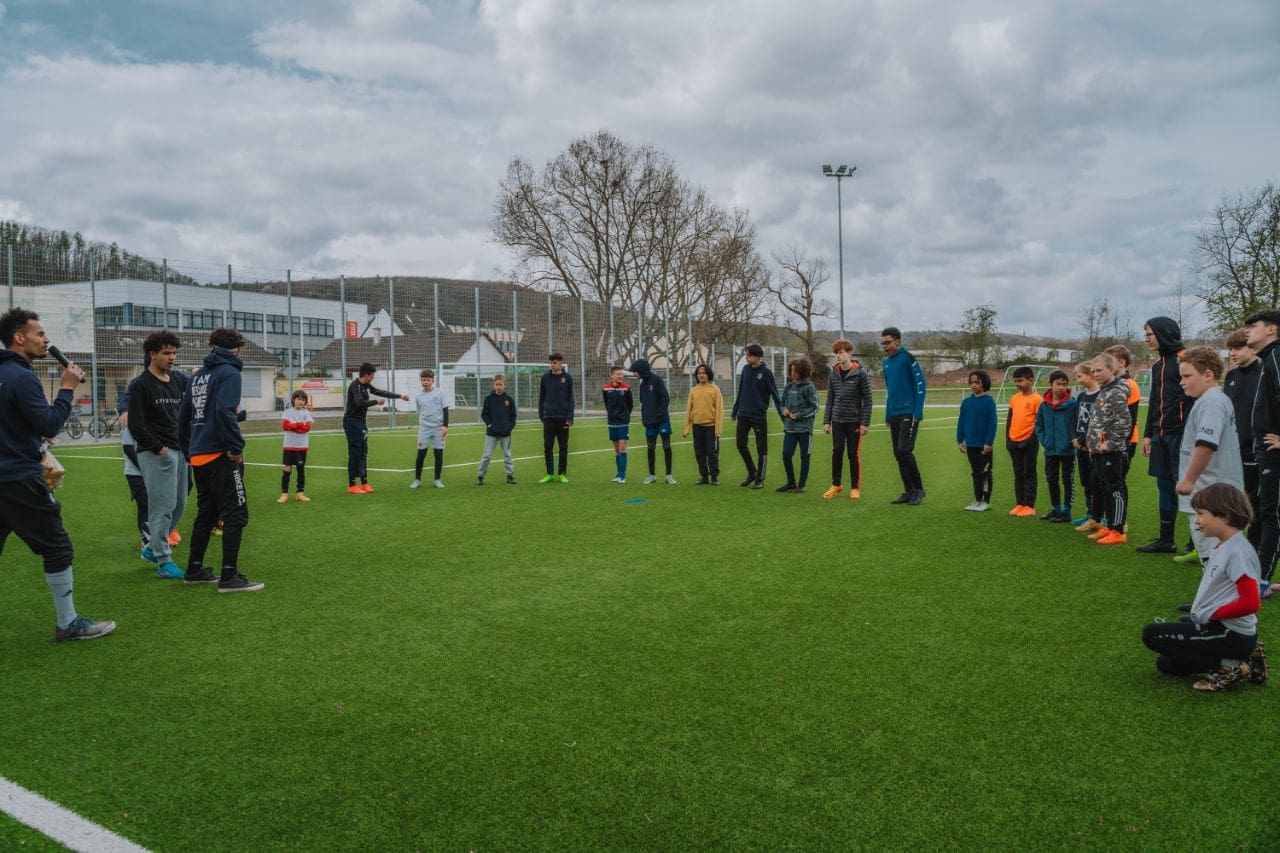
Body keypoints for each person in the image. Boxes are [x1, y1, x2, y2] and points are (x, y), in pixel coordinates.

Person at [0, 308, 115, 640]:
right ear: (19, 337)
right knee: (57, 547)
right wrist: (66, 389)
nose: (46, 339)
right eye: (39, 333)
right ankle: (68, 623)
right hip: (17, 478)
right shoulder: (23, 377)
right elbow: (50, 423)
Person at [1141, 483, 1267, 692]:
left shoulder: (1238, 551)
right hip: (1223, 629)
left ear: (1225, 516)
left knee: (1152, 635)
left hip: (1231, 634)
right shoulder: (1225, 545)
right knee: (1165, 664)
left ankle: (1232, 666)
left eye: (1200, 514)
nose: (1197, 520)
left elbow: (1251, 603)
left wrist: (1210, 614)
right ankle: (1248, 658)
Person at [177, 327, 264, 592]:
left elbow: (184, 417)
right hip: (219, 453)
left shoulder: (197, 376)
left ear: (211, 347)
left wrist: (188, 450)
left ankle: (194, 569)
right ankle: (229, 576)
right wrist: (235, 446)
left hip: (199, 454)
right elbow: (224, 411)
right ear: (237, 350)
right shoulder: (230, 373)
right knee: (235, 512)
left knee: (207, 512)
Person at [126, 330, 189, 579]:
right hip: (156, 453)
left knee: (179, 504)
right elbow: (136, 426)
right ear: (152, 354)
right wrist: (159, 449)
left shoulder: (174, 381)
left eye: (174, 353)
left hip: (179, 450)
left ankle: (153, 547)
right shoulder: (140, 385)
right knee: (162, 507)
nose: (172, 357)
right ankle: (164, 561)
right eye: (166, 353)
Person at [1174, 347, 1244, 566]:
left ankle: (1220, 591)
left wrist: (1189, 480)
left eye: (1187, 376)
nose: (1182, 382)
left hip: (1210, 492)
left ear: (1208, 375)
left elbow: (1206, 445)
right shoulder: (1213, 399)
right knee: (1222, 555)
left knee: (1213, 556)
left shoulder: (1211, 402)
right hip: (1216, 490)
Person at [1138, 318, 1190, 554]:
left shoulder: (1187, 360)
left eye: (1149, 334)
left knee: (1188, 486)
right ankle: (1166, 540)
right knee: (1164, 486)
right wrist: (1149, 434)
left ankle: (1196, 542)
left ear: (1163, 333)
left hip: (1182, 435)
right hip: (1160, 436)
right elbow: (1154, 402)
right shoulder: (1157, 365)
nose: (1147, 339)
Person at [1086, 353, 1133, 545]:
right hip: (1098, 451)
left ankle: (1118, 530)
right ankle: (1109, 525)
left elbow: (1125, 421)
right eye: (1093, 371)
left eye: (1099, 370)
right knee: (1104, 489)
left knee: (1114, 489)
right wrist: (1092, 445)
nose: (1095, 374)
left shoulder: (1116, 391)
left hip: (1111, 452)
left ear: (1112, 369)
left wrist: (1111, 443)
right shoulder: (1105, 390)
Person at [1223, 328, 1262, 549]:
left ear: (1253, 348)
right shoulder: (1231, 376)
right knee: (1228, 502)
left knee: (1254, 505)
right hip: (1229, 451)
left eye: (1238, 348)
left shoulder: (1264, 374)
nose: (1233, 353)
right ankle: (1226, 548)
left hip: (1253, 452)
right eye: (1231, 349)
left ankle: (1253, 549)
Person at [344, 362, 408, 494]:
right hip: (352, 422)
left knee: (363, 451)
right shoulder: (355, 386)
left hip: (361, 422)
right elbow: (359, 403)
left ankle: (364, 482)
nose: (373, 378)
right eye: (372, 376)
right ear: (366, 375)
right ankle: (352, 485)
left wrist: (399, 396)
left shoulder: (366, 385)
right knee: (355, 452)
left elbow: (380, 392)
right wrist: (376, 402)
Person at [880, 327, 926, 505]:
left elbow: (920, 384)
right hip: (894, 414)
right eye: (882, 343)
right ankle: (909, 491)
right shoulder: (886, 363)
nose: (884, 346)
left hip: (909, 412)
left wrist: (918, 411)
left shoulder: (908, 358)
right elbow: (889, 390)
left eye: (887, 342)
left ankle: (919, 490)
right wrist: (888, 414)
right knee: (897, 453)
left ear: (897, 342)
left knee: (904, 450)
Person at [822, 339, 872, 500]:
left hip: (854, 421)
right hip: (837, 420)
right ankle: (836, 485)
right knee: (836, 452)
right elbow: (830, 399)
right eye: (836, 353)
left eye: (841, 352)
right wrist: (827, 421)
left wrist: (865, 423)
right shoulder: (833, 374)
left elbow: (868, 400)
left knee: (852, 454)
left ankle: (855, 487)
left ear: (850, 353)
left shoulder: (860, 373)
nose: (838, 355)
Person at [731, 343, 783, 489]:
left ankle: (760, 479)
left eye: (749, 355)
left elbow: (775, 394)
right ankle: (752, 472)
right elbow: (741, 390)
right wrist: (735, 410)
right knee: (740, 444)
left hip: (759, 416)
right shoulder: (745, 370)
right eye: (746, 355)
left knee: (761, 449)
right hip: (743, 415)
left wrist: (783, 416)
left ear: (758, 356)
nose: (746, 357)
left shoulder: (766, 373)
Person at [1034, 369, 1077, 522]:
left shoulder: (1072, 405)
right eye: (1058, 384)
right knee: (1051, 478)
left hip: (1067, 450)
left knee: (1067, 479)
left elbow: (1075, 425)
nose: (1061, 387)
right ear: (1051, 384)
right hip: (1050, 449)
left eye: (1064, 384)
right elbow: (1038, 425)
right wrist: (1045, 441)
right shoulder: (1044, 405)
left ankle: (1067, 511)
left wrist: (1070, 441)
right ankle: (1056, 508)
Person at [957, 370, 996, 511]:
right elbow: (961, 422)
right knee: (975, 472)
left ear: (984, 384)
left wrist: (988, 442)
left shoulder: (989, 402)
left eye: (977, 382)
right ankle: (978, 500)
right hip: (970, 444)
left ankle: (986, 501)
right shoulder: (966, 402)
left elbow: (992, 423)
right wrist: (960, 440)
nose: (973, 385)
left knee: (985, 472)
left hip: (984, 446)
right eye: (971, 382)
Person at [778, 356, 819, 493]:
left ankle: (801, 485)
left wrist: (799, 415)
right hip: (790, 428)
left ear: (802, 371)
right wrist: (784, 410)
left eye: (794, 370)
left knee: (804, 457)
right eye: (791, 370)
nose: (792, 373)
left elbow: (815, 407)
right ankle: (791, 482)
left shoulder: (809, 387)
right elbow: (781, 403)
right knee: (786, 454)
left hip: (805, 429)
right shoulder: (789, 386)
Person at [1005, 366, 1042, 518]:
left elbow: (1038, 424)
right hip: (1014, 443)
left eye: (1020, 380)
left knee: (1029, 473)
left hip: (1029, 443)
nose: (1018, 384)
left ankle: (1029, 506)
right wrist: (1008, 439)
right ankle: (1019, 503)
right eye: (1016, 381)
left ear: (1030, 380)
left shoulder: (1037, 399)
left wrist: (1029, 441)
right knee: (1018, 473)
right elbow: (1009, 420)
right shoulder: (1014, 398)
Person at [632, 358, 675, 484]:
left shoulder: (657, 380)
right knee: (650, 447)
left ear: (641, 370)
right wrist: (646, 418)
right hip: (650, 422)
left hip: (662, 420)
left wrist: (659, 414)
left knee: (666, 446)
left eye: (635, 371)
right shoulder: (642, 385)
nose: (634, 374)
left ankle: (668, 475)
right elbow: (643, 402)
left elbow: (665, 398)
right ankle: (651, 476)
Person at [1071, 362, 1103, 530]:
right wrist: (1075, 439)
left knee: (1096, 481)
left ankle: (1100, 515)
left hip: (1093, 447)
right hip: (1080, 447)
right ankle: (1090, 513)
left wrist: (1083, 440)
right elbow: (1075, 419)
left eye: (1079, 376)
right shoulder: (1081, 396)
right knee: (1085, 481)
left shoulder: (1101, 395)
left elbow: (1096, 423)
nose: (1078, 380)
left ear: (1090, 375)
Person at [117, 396, 150, 549]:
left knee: (152, 505)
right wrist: (144, 467)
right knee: (145, 505)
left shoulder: (148, 420)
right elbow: (128, 448)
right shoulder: (130, 421)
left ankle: (155, 537)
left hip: (149, 472)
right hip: (135, 474)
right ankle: (146, 540)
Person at [537, 352, 574, 483]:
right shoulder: (545, 378)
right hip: (549, 417)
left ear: (561, 363)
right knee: (548, 447)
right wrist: (541, 414)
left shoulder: (567, 378)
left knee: (563, 447)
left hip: (563, 418)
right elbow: (542, 397)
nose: (552, 365)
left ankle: (562, 474)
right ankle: (550, 474)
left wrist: (570, 417)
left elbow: (571, 399)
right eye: (551, 363)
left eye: (555, 362)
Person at [683, 364, 723, 485]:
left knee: (712, 453)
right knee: (699, 453)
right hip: (697, 426)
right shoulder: (693, 390)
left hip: (711, 427)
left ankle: (714, 477)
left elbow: (719, 411)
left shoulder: (715, 390)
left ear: (708, 374)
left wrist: (718, 430)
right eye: (699, 373)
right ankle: (704, 477)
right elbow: (689, 410)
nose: (701, 375)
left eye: (704, 373)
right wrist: (687, 428)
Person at [411, 369, 449, 490]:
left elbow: (445, 410)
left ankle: (437, 480)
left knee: (438, 454)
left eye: (428, 380)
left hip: (438, 428)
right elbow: (420, 411)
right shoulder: (418, 396)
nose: (426, 382)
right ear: (421, 381)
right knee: (421, 454)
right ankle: (417, 480)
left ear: (433, 381)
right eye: (424, 380)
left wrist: (445, 426)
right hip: (424, 428)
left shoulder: (440, 392)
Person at [477, 374, 517, 485]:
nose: (498, 387)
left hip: (505, 434)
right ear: (493, 385)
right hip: (491, 433)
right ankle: (480, 476)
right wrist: (490, 425)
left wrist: (509, 428)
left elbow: (513, 416)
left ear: (505, 385)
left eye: (500, 384)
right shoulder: (489, 399)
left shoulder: (509, 399)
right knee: (486, 455)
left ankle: (510, 476)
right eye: (496, 384)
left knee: (507, 455)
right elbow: (484, 414)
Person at [1105, 344, 1142, 462]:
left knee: (1117, 473)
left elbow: (1131, 416)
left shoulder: (1131, 385)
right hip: (1108, 439)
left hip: (1124, 441)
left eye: (1109, 361)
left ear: (1121, 363)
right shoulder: (1108, 384)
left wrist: (1125, 442)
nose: (1106, 364)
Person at [279, 390, 313, 503]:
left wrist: (294, 427)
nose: (301, 402)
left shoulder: (306, 413)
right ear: (293, 400)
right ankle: (284, 494)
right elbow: (285, 426)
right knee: (287, 468)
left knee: (301, 469)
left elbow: (307, 427)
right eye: (298, 399)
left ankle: (300, 494)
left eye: (303, 400)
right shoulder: (287, 412)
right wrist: (299, 424)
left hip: (302, 446)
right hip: (289, 446)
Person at [601, 365, 633, 484]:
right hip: (612, 422)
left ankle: (623, 476)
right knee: (616, 449)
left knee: (622, 447)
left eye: (621, 374)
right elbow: (606, 403)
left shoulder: (626, 388)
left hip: (623, 422)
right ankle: (618, 474)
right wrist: (611, 414)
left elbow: (630, 405)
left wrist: (625, 416)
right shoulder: (605, 388)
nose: (620, 376)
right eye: (618, 374)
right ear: (612, 375)